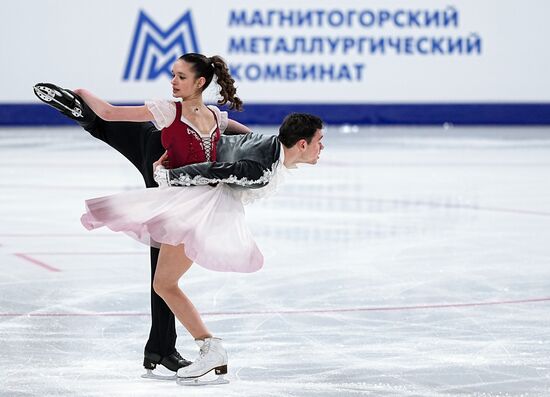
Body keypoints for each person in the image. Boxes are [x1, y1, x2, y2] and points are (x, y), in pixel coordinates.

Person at [32, 52, 251, 379]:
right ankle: (162, 347)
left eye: (180, 76)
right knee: (163, 274)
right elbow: (241, 133)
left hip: (169, 177)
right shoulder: (214, 117)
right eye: (173, 75)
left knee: (126, 132)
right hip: (179, 179)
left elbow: (110, 112)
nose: (173, 81)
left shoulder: (172, 110)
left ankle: (86, 119)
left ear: (199, 82)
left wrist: (83, 95)